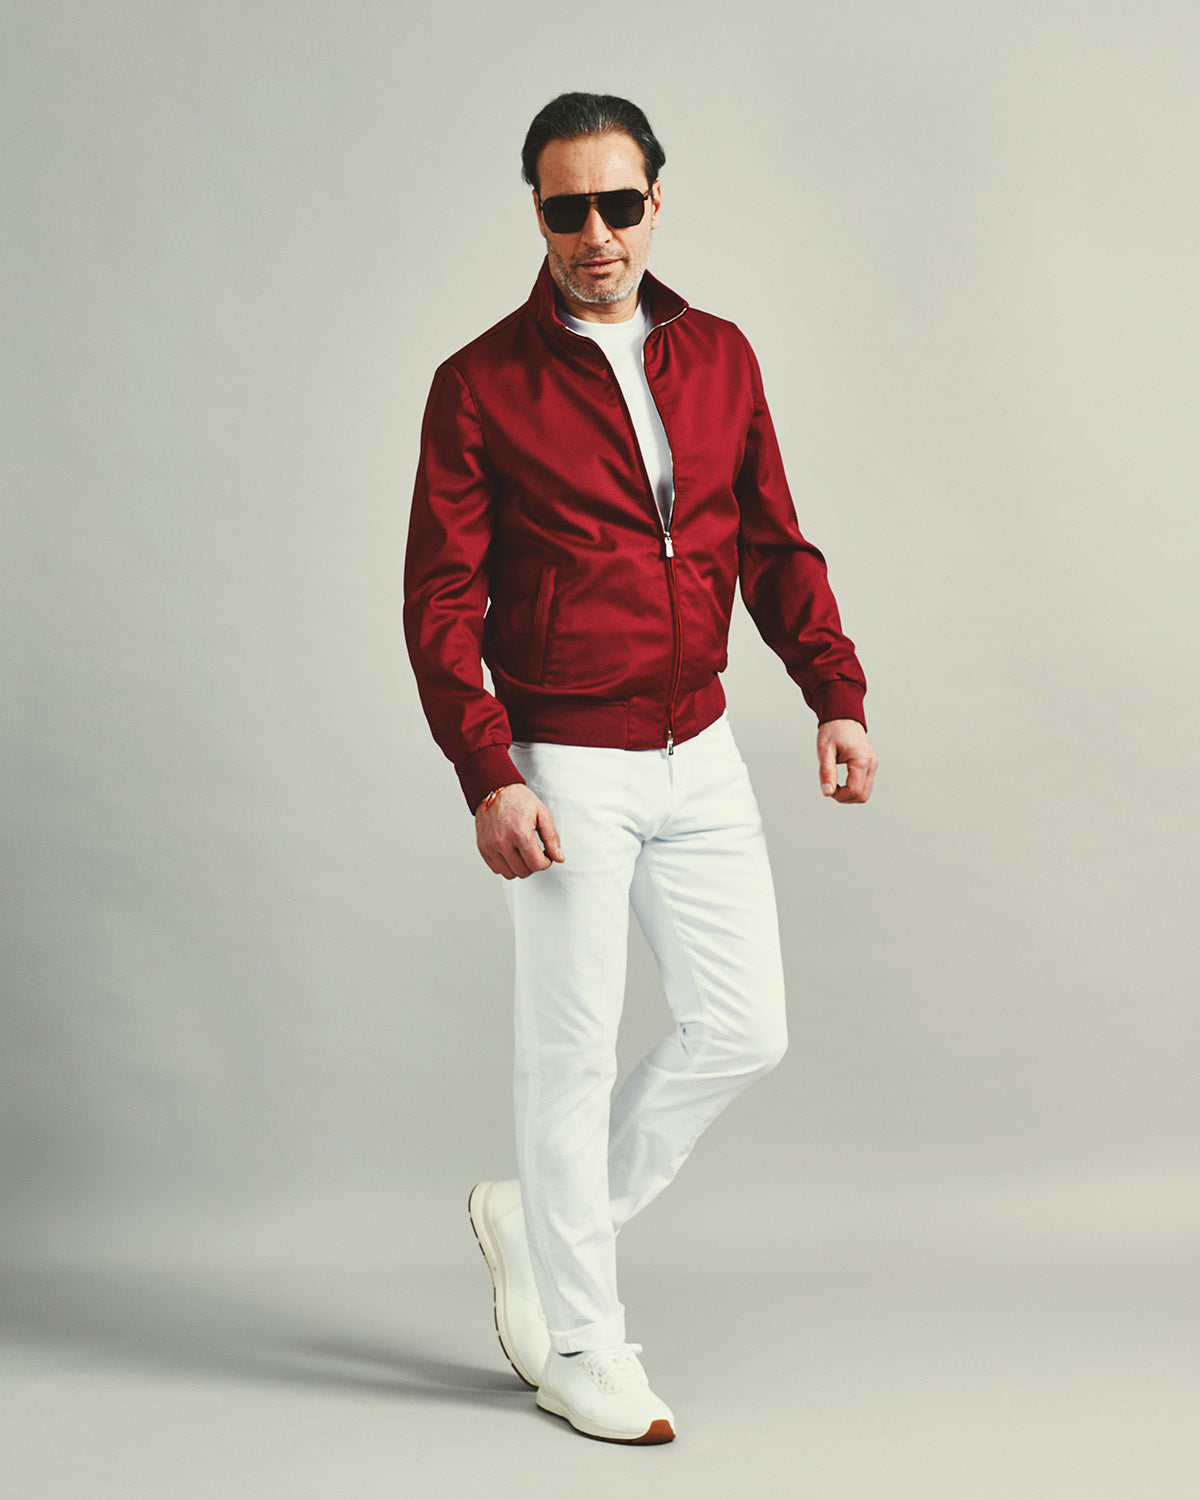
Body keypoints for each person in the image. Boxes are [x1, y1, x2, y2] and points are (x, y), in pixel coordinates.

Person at [403, 92, 877, 1445]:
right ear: (538, 215)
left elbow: (772, 543)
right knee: (568, 1055)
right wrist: (490, 771)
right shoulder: (480, 383)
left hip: (699, 747)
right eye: (568, 209)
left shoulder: (717, 353)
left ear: (657, 202)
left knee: (744, 1027)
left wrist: (834, 693)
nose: (597, 233)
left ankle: (545, 1222)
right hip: (565, 761)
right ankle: (581, 1346)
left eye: (619, 203)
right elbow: (439, 600)